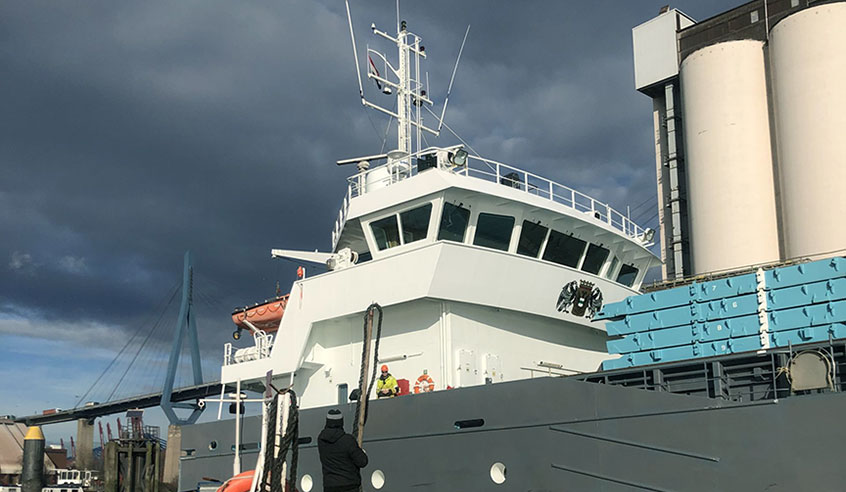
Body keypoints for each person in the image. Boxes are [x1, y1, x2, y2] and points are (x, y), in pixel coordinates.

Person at [318, 409, 368, 492]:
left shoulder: (321, 440)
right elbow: (362, 462)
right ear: (341, 422)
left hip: (330, 486)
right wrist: (361, 452)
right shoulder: (348, 440)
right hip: (349, 486)